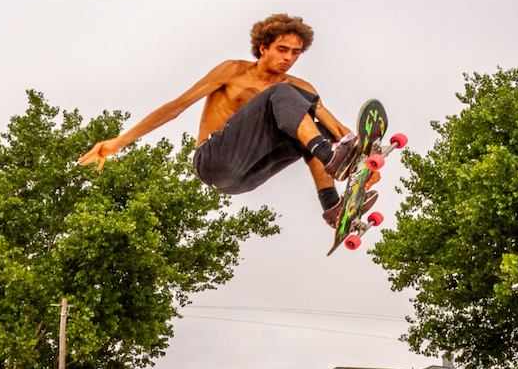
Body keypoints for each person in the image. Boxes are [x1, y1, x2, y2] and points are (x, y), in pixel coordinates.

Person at [79, 13, 379, 229]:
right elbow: (176, 107)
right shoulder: (233, 71)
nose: (288, 58)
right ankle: (331, 160)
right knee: (284, 94)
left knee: (316, 127)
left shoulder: (301, 88)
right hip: (213, 160)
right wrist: (118, 142)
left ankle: (334, 209)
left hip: (245, 178)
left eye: (295, 53)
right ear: (264, 48)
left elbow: (339, 132)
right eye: (282, 50)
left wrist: (363, 165)